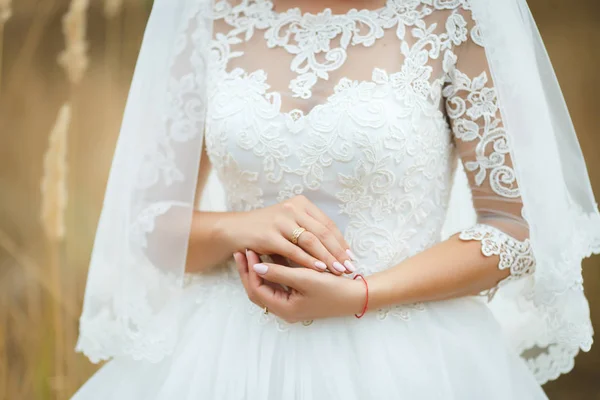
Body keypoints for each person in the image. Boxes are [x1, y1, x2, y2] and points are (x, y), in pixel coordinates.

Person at [72, 0, 600, 398]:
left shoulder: (452, 17)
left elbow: (516, 224)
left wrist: (364, 293)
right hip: (223, 354)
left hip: (407, 353)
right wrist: (241, 227)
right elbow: (147, 225)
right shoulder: (211, 15)